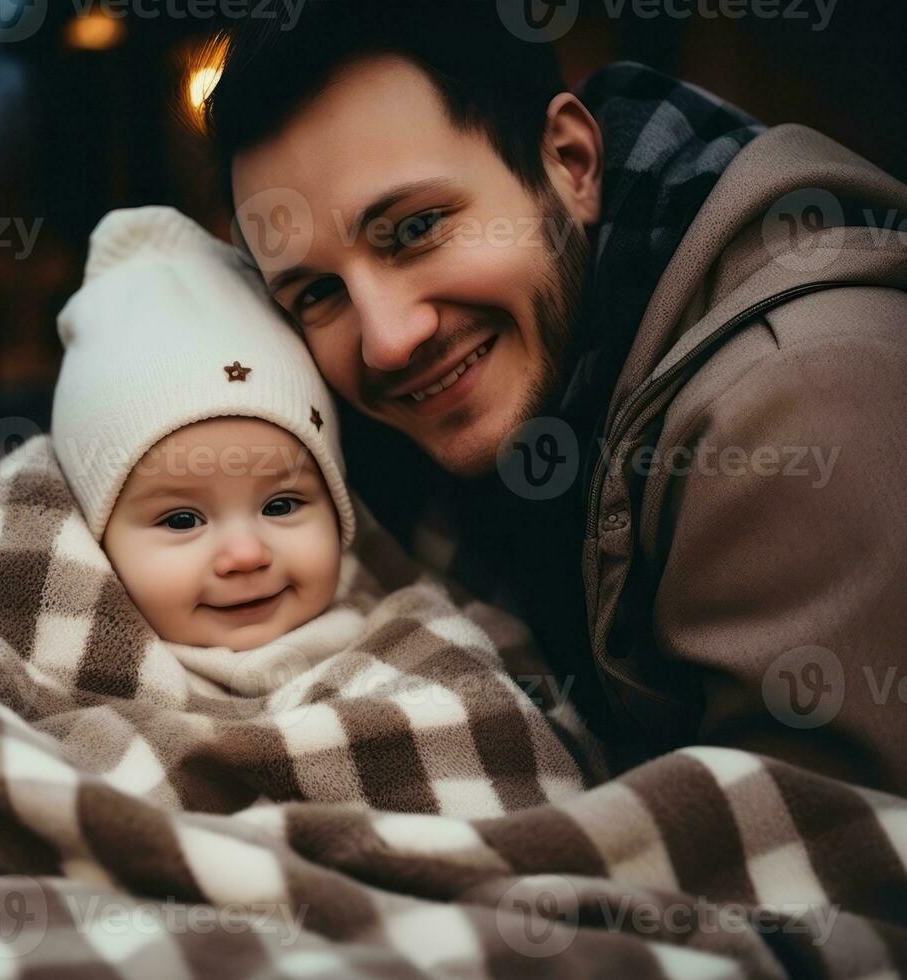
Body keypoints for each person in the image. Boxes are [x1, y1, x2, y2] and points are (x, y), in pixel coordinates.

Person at [203, 0, 907, 791]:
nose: (386, 340)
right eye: (317, 295)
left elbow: (817, 875)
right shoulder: (480, 407)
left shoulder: (799, 398)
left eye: (415, 228)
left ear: (569, 164)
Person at [49, 204, 360, 654]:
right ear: (95, 543)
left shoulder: (402, 637)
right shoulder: (70, 663)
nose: (247, 555)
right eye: (181, 520)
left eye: (281, 505)